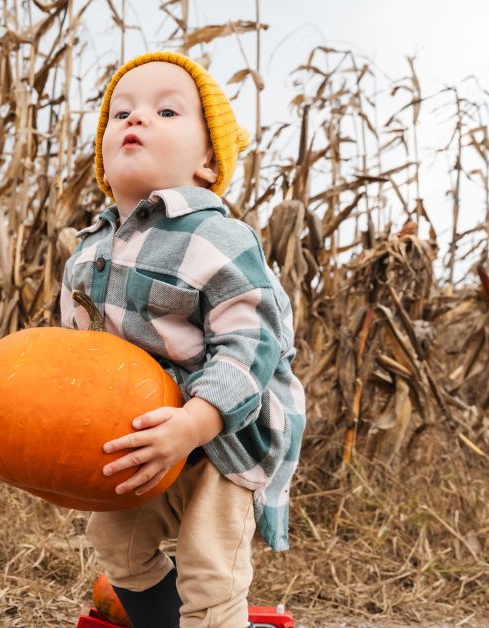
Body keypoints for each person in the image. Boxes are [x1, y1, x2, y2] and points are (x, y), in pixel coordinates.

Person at [59, 51, 307, 628]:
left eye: (166, 110)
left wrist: (198, 422)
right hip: (144, 431)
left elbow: (252, 345)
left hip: (227, 433)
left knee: (208, 566)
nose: (136, 119)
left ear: (208, 161)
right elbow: (79, 358)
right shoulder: (87, 251)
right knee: (117, 545)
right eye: (121, 111)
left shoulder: (217, 238)